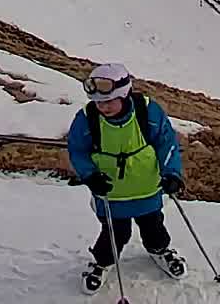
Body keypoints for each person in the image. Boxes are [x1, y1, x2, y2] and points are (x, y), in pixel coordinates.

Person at [66, 63, 190, 285]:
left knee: (154, 226)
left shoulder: (147, 111)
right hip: (110, 192)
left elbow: (166, 142)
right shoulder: (87, 118)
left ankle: (160, 250)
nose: (103, 107)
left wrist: (172, 173)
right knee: (115, 233)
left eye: (108, 101)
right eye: (98, 102)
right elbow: (77, 150)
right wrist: (90, 176)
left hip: (148, 188)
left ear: (124, 94)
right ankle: (102, 262)